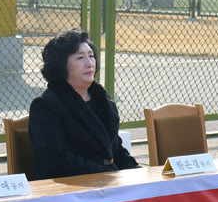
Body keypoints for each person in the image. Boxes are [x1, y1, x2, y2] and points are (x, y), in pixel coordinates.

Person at [28, 29, 140, 179]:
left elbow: (115, 150)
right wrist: (107, 175)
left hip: (106, 183)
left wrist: (138, 172)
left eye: (92, 56)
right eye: (80, 58)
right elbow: (57, 161)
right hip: (71, 191)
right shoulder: (45, 106)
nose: (89, 63)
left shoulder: (102, 100)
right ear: (61, 65)